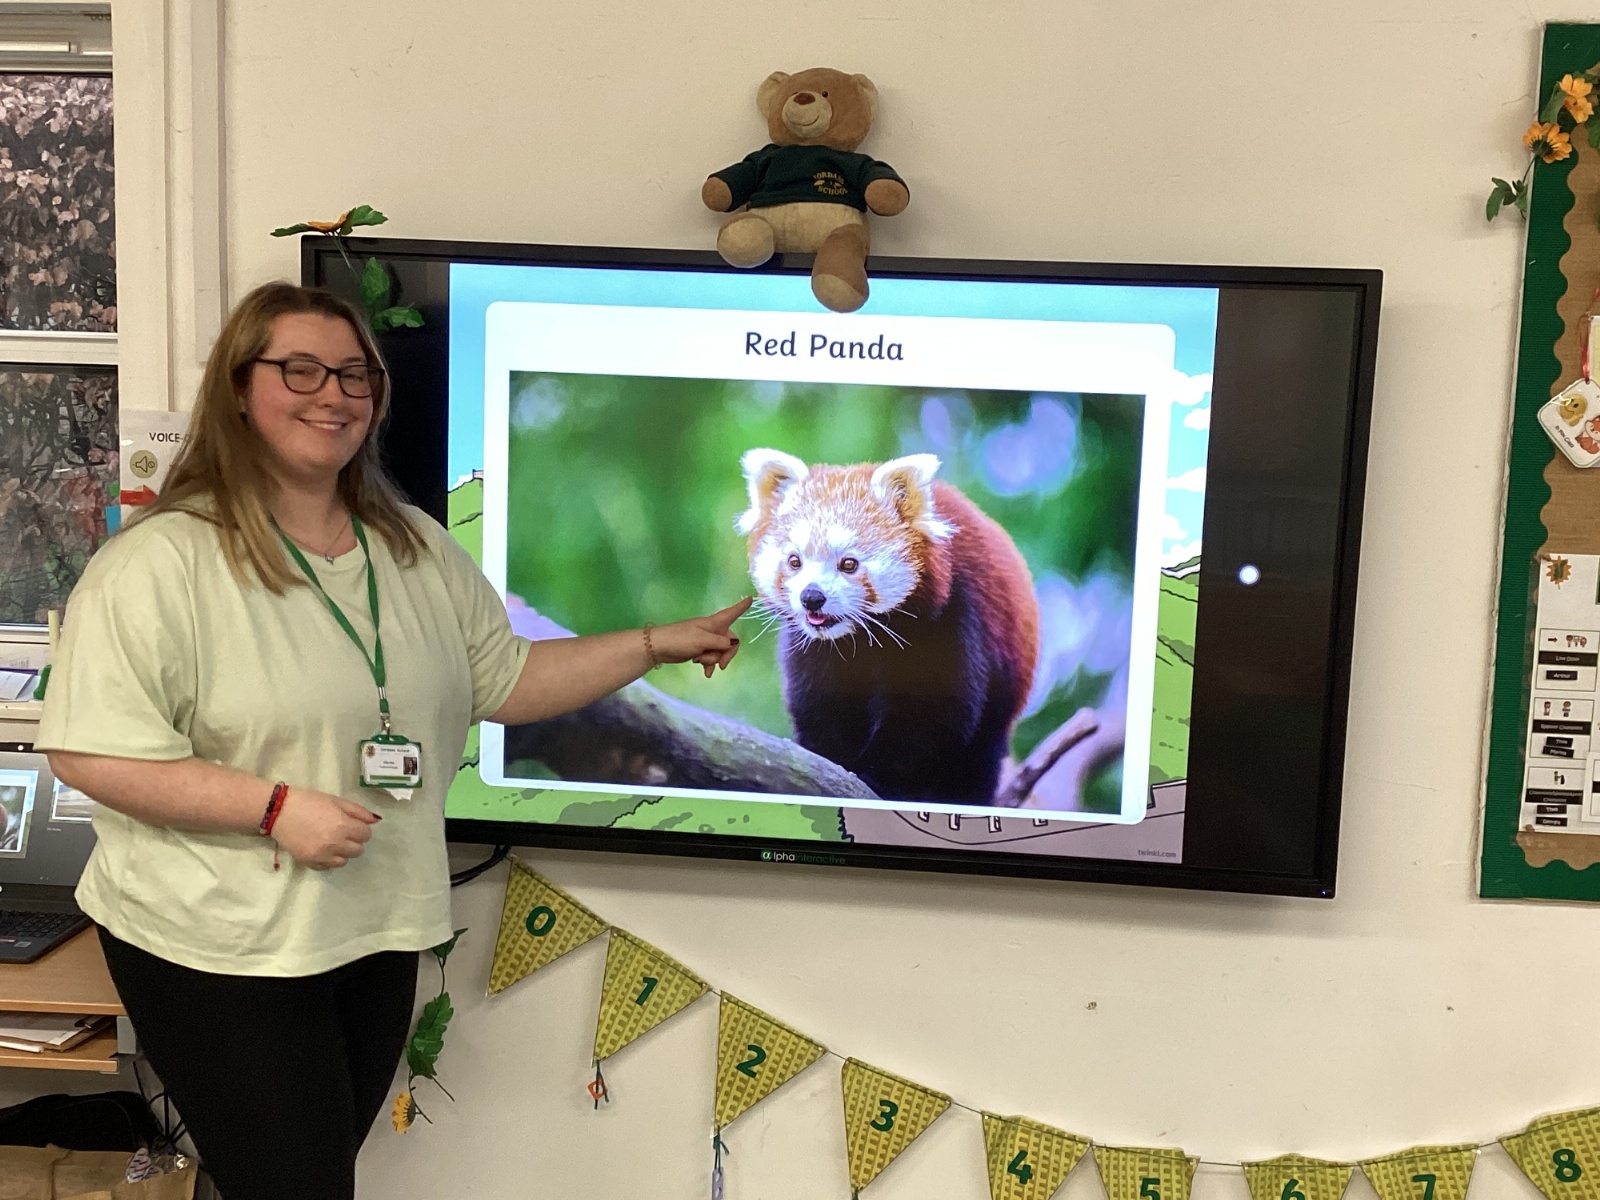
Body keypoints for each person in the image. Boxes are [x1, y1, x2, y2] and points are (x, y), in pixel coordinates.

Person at [37, 282, 749, 1199]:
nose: (333, 395)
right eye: (300, 370)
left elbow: (507, 680)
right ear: (239, 389)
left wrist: (653, 643)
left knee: (306, 1178)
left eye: (355, 375)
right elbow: (93, 751)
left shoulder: (412, 544)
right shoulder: (160, 561)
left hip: (372, 927)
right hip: (217, 945)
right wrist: (274, 808)